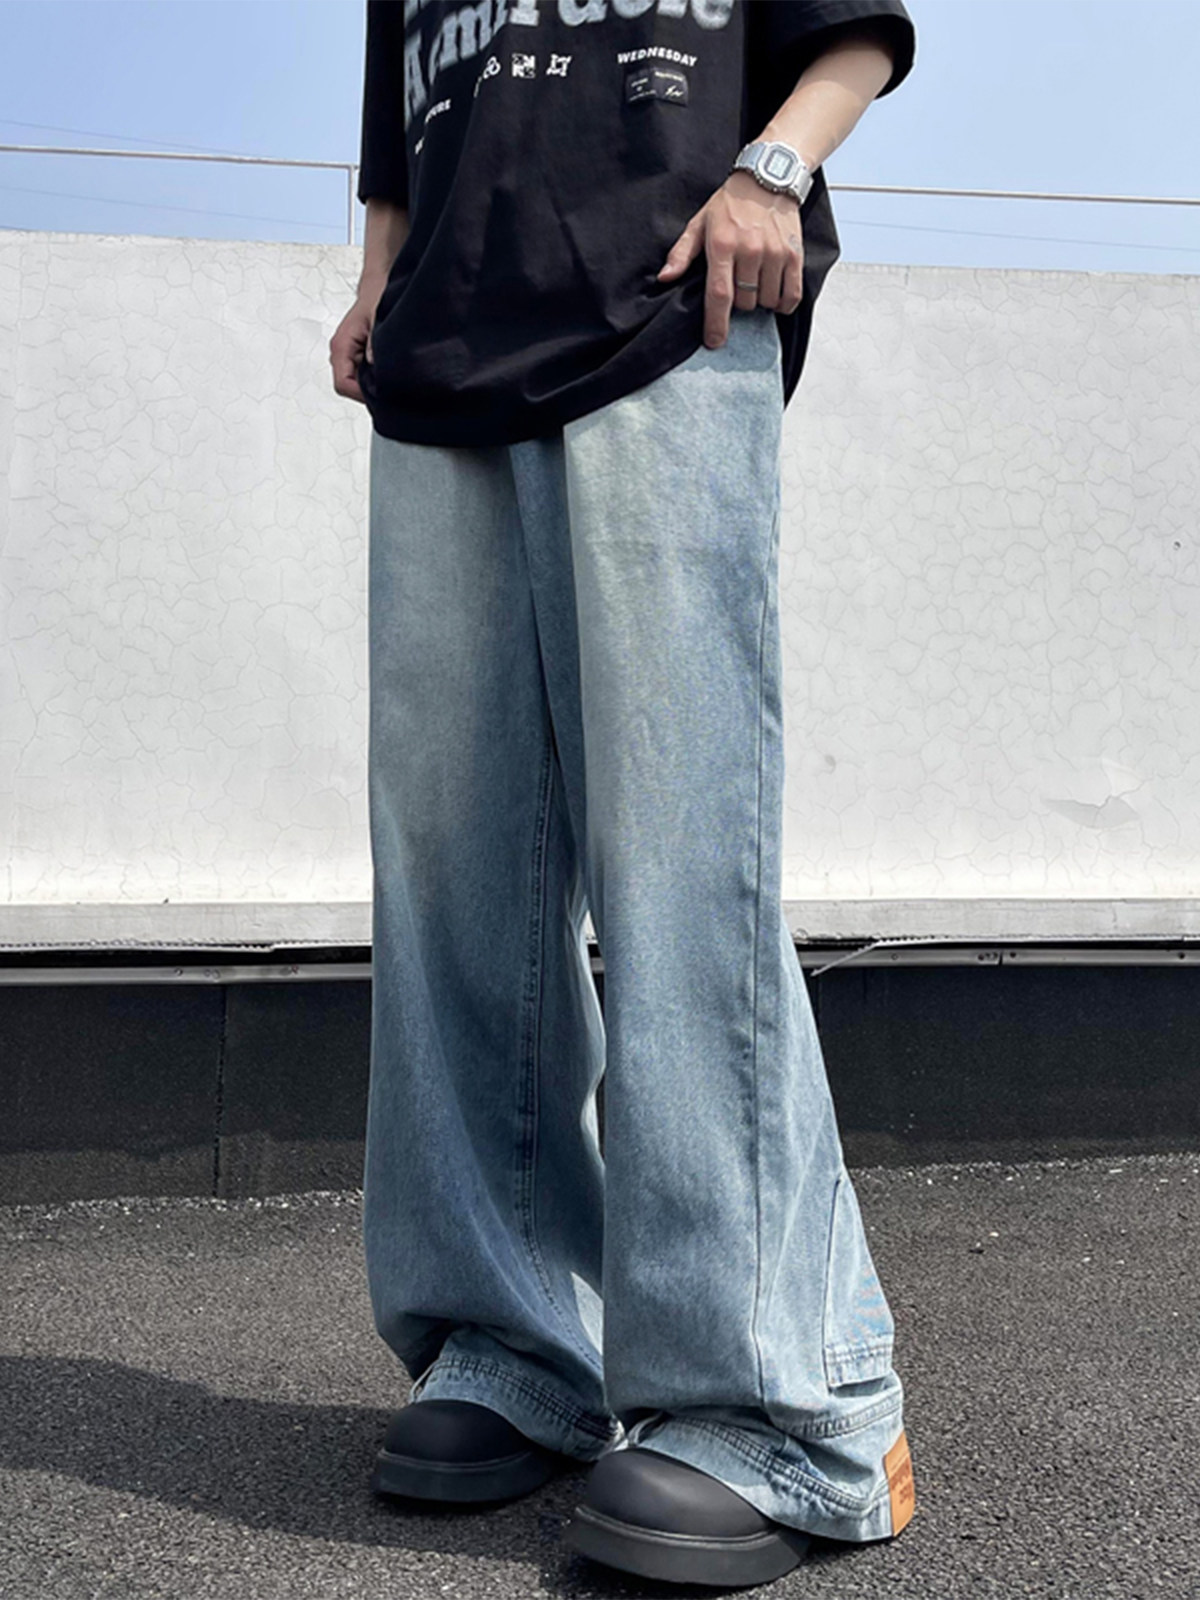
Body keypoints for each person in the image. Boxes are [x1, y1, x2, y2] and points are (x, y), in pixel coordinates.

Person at [329, 0, 917, 1587]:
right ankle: (517, 1344)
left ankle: (792, 1412)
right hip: (444, 352)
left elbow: (856, 31)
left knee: (679, 858)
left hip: (664, 302)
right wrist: (379, 277)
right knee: (452, 876)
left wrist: (772, 172)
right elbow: (400, 115)